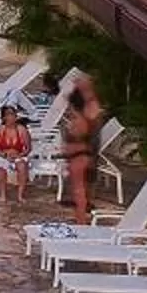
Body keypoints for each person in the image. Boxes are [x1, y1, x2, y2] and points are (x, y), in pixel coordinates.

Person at [57, 84, 102, 219]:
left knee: (79, 190)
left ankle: (81, 219)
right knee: (79, 189)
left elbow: (75, 135)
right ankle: (80, 217)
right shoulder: (88, 116)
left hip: (79, 157)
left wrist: (68, 129)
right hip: (81, 155)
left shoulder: (79, 120)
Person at [0, 104, 33, 203]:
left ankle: (20, 195)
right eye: (9, 114)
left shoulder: (21, 130)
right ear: (4, 117)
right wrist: (4, 155)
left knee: (22, 166)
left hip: (19, 155)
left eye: (14, 114)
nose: (12, 117)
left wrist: (20, 155)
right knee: (1, 168)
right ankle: (3, 195)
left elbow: (28, 148)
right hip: (2, 155)